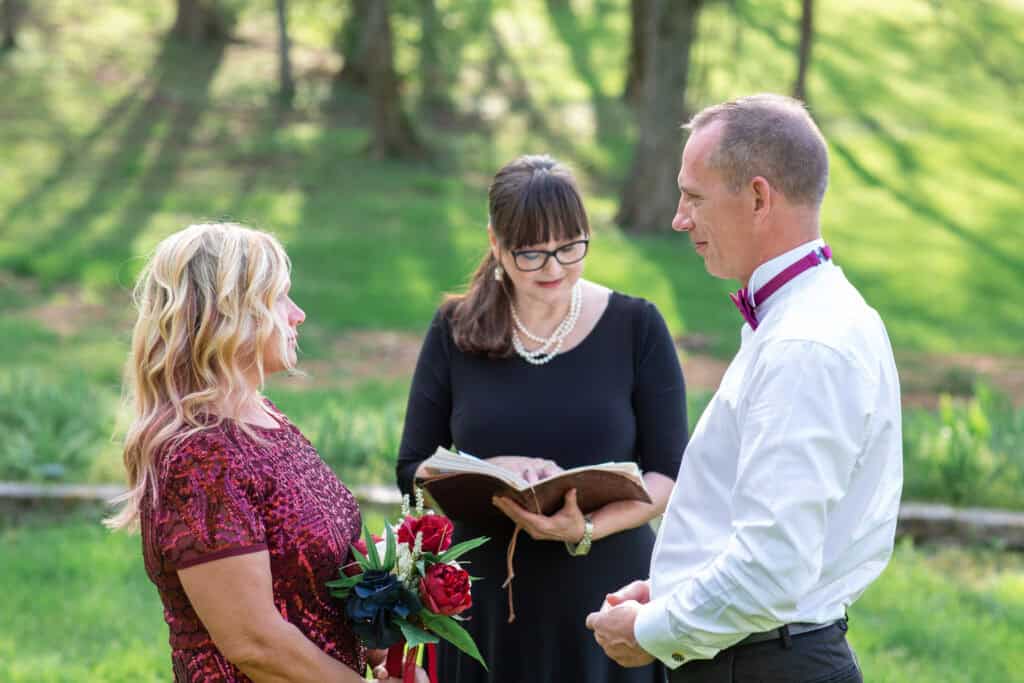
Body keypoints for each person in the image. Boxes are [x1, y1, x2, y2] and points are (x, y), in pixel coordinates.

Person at [586, 94, 902, 683]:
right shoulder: (805, 318)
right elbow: (763, 525)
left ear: (758, 197)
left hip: (762, 667)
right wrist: (671, 590)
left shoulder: (805, 344)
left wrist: (651, 630)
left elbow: (772, 567)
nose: (680, 219)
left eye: (694, 197)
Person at [396, 154, 689, 682]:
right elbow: (410, 468)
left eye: (570, 247)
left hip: (610, 598)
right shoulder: (455, 328)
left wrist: (585, 529)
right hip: (484, 601)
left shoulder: (637, 326)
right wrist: (491, 467)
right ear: (496, 243)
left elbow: (669, 473)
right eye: (531, 254)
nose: (554, 269)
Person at [106, 223, 424, 682]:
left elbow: (322, 574)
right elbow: (254, 643)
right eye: (280, 298)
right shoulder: (202, 457)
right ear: (229, 314)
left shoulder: (264, 419)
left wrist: (383, 653)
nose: (298, 315)